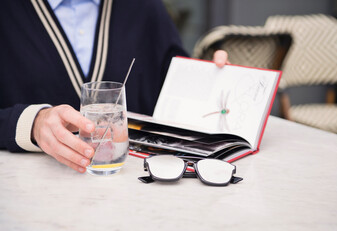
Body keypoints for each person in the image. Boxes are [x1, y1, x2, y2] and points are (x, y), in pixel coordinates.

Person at [0, 0, 229, 173]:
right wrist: (31, 123)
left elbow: (176, 88)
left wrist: (213, 79)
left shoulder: (144, 7)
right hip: (28, 198)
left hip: (134, 193)